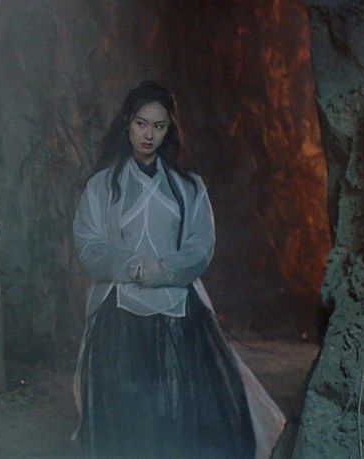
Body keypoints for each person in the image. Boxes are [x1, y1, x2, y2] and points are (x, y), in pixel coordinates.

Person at [71, 81, 285, 459]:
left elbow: (201, 247)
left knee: (185, 411)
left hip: (178, 309)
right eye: (141, 124)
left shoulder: (188, 187)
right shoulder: (103, 186)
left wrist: (164, 270)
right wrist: (131, 266)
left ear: (169, 130)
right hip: (119, 309)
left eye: (158, 126)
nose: (148, 135)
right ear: (127, 123)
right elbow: (88, 244)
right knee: (129, 416)